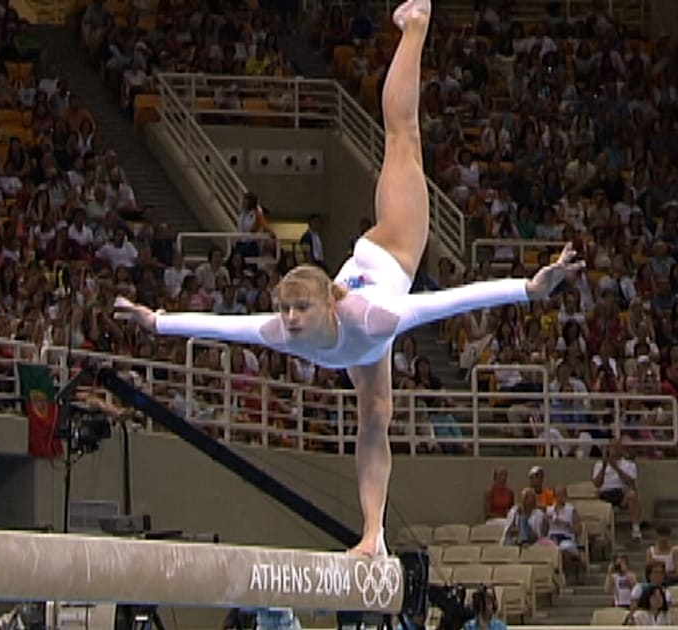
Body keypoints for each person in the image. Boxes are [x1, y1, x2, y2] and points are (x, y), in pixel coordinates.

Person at [114, 0, 585, 557]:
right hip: (361, 341)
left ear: (327, 306)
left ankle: (416, 26)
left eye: (297, 312)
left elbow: (456, 300)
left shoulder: (377, 314)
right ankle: (373, 535)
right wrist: (157, 320)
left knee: (401, 134)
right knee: (375, 417)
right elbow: (221, 325)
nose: (287, 321)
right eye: (285, 311)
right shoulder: (283, 331)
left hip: (393, 248)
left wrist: (529, 290)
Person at [591, 439, 645, 541]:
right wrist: (604, 466)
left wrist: (616, 467)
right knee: (595, 494)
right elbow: (596, 484)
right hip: (604, 493)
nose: (614, 450)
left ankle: (636, 529)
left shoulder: (628, 465)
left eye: (616, 448)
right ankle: (600, 531)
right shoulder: (599, 464)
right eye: (612, 448)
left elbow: (631, 482)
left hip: (621, 493)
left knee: (632, 495)